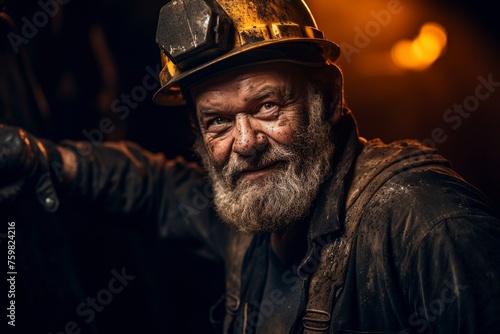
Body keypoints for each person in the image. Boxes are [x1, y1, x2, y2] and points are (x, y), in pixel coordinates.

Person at [1, 0, 499, 333]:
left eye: (266, 107)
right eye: (217, 121)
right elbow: (154, 189)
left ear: (327, 99)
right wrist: (47, 158)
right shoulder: (255, 215)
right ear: (198, 135)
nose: (245, 143)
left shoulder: (427, 223)